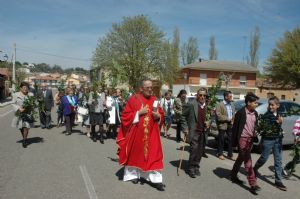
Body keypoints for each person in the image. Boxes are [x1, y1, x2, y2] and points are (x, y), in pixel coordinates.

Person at [116, 79, 165, 191]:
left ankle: (156, 180)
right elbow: (125, 116)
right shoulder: (134, 99)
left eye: (151, 87)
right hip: (136, 134)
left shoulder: (154, 100)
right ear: (141, 88)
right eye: (147, 87)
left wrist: (159, 116)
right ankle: (133, 175)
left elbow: (161, 114)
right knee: (135, 155)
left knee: (154, 155)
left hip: (152, 134)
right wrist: (138, 112)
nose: (150, 90)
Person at [253, 96, 287, 191]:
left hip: (278, 140)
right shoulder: (266, 115)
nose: (270, 106)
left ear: (277, 105)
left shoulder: (279, 114)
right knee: (264, 158)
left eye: (272, 105)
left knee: (278, 160)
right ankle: (255, 168)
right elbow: (267, 128)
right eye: (269, 104)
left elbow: (278, 127)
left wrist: (280, 125)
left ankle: (278, 181)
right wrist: (278, 123)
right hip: (268, 140)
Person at [230, 92, 261, 194]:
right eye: (255, 103)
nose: (257, 104)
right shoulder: (241, 113)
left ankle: (233, 175)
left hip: (250, 139)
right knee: (248, 160)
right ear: (248, 103)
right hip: (242, 139)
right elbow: (235, 129)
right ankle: (253, 183)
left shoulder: (255, 113)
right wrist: (233, 143)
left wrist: (256, 131)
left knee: (241, 158)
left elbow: (255, 126)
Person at [181, 88, 210, 178]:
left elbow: (210, 118)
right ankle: (191, 169)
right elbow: (182, 116)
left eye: (204, 95)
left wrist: (209, 122)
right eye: (200, 95)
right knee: (194, 150)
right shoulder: (191, 104)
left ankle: (196, 166)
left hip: (203, 132)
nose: (202, 97)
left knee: (200, 151)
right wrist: (185, 128)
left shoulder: (207, 105)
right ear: (197, 95)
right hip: (194, 131)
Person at [11, 82, 34, 148]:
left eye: (26, 88)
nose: (25, 89)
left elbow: (33, 103)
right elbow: (13, 103)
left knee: (26, 127)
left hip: (28, 113)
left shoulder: (31, 95)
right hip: (19, 113)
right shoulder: (15, 94)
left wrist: (31, 105)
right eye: (24, 88)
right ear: (20, 88)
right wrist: (18, 108)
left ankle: (24, 141)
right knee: (21, 127)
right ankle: (25, 137)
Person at [215, 90, 236, 161]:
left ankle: (230, 155)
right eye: (230, 96)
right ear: (226, 97)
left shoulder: (232, 104)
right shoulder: (219, 105)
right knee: (221, 140)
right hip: (222, 124)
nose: (231, 97)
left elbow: (234, 113)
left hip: (231, 125)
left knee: (231, 140)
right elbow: (218, 116)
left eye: (231, 96)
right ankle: (220, 153)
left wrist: (233, 120)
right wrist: (228, 119)